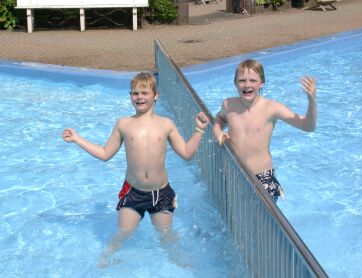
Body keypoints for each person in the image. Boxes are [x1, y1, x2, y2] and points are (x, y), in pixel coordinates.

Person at [62, 72, 209, 267]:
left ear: (155, 95)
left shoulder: (166, 124)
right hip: (133, 192)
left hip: (161, 193)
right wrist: (78, 139)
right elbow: (106, 154)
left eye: (144, 93)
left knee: (167, 238)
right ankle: (103, 262)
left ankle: (180, 264)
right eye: (134, 93)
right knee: (123, 234)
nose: (139, 97)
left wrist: (199, 130)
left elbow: (186, 153)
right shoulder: (124, 124)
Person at [213, 59, 317, 202]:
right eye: (242, 80)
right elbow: (219, 119)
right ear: (235, 83)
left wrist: (312, 101)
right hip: (234, 172)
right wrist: (218, 133)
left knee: (265, 222)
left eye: (253, 80)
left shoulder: (272, 108)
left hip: (263, 177)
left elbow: (308, 126)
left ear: (262, 83)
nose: (247, 85)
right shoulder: (229, 104)